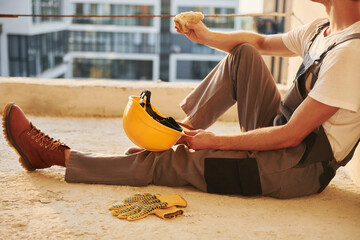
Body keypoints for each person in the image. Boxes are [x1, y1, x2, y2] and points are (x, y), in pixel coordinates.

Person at [3, 0, 360, 199]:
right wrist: (204, 37)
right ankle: (180, 130)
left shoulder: (351, 53)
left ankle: (58, 157)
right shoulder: (321, 30)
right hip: (281, 130)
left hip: (297, 167)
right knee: (245, 53)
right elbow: (262, 44)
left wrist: (215, 143)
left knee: (170, 163)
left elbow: (291, 136)